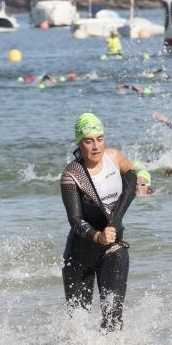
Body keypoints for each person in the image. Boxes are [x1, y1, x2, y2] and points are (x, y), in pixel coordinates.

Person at [60, 113, 137, 332]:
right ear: (78, 142)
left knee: (113, 320)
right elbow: (74, 219)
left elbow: (131, 175)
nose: (96, 146)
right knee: (78, 326)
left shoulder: (114, 157)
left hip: (113, 247)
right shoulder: (72, 174)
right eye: (88, 140)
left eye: (100, 138)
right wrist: (98, 236)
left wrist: (118, 217)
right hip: (80, 253)